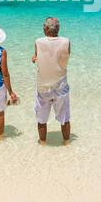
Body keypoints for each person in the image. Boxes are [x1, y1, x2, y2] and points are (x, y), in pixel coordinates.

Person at [32, 17, 71, 146]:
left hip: (43, 86)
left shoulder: (38, 41)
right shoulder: (66, 41)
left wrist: (35, 59)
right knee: (65, 118)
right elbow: (65, 57)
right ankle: (66, 143)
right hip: (61, 86)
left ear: (46, 28)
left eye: (44, 26)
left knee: (42, 120)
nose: (43, 28)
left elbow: (37, 58)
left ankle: (42, 143)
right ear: (58, 28)